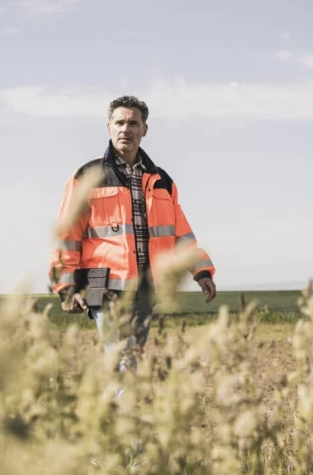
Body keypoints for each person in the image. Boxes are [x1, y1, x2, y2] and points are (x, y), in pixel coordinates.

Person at [49, 95, 217, 373]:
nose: (125, 129)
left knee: (128, 362)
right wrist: (66, 287)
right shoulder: (87, 175)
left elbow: (181, 233)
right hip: (102, 288)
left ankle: (104, 413)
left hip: (145, 289)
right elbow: (67, 234)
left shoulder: (161, 180)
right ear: (109, 128)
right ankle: (121, 413)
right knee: (125, 363)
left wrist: (201, 271)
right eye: (119, 122)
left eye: (133, 123)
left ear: (144, 130)